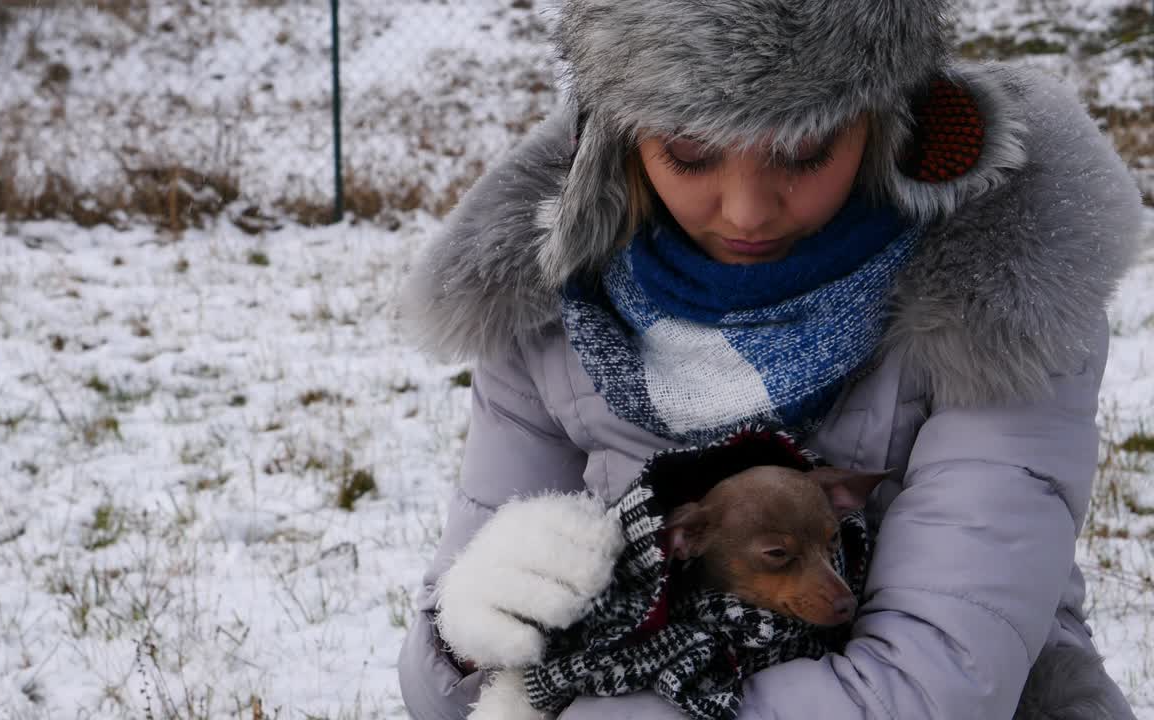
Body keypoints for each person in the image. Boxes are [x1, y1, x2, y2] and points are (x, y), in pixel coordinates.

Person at [397, 0, 1146, 718]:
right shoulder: (547, 304)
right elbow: (444, 697)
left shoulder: (995, 303)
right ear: (616, 134)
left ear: (891, 120)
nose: (747, 210)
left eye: (804, 149)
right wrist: (469, 640)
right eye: (690, 153)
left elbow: (936, 689)